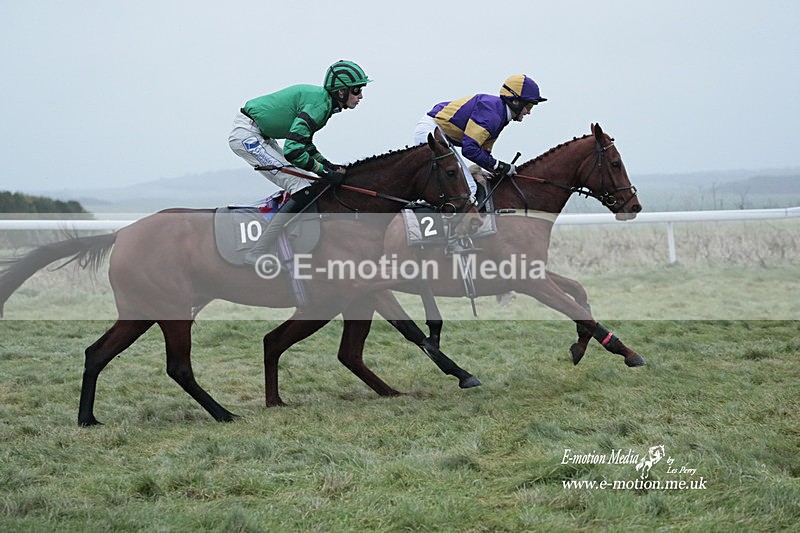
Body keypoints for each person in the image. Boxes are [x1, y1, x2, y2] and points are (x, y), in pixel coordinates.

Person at [229, 60, 372, 266]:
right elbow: (293, 150)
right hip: (248, 136)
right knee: (302, 186)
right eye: (357, 90)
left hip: (262, 134)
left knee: (309, 182)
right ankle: (257, 251)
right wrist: (324, 171)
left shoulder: (324, 104)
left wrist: (327, 165)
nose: (360, 96)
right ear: (341, 92)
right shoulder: (319, 106)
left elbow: (305, 144)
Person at [413, 75, 546, 197]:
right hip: (432, 131)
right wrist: (500, 166)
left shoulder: (500, 115)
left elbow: (483, 153)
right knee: (469, 188)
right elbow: (469, 149)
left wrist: (496, 170)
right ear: (515, 101)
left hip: (442, 134)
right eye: (529, 105)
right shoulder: (492, 115)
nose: (529, 112)